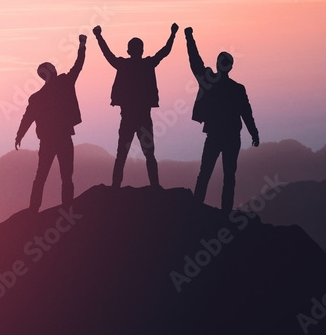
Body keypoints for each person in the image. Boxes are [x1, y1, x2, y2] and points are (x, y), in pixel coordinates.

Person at [92, 23, 178, 188]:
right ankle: (154, 187)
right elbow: (164, 52)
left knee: (122, 155)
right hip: (144, 118)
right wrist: (173, 34)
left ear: (129, 50)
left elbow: (107, 54)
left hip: (128, 118)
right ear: (142, 50)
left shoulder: (123, 65)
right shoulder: (147, 64)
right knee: (149, 154)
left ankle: (116, 187)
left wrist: (99, 36)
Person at [184, 26, 260, 212]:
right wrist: (254, 133)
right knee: (229, 176)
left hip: (215, 135)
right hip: (233, 136)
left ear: (218, 64)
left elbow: (195, 62)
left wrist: (189, 38)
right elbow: (246, 113)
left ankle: (196, 208)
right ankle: (225, 212)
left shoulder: (209, 82)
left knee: (205, 173)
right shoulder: (238, 89)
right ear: (231, 66)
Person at [15, 34, 86, 212]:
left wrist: (19, 135)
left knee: (41, 176)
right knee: (66, 176)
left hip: (47, 141)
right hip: (63, 138)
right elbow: (78, 66)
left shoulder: (37, 97)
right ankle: (67, 207)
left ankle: (33, 209)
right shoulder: (65, 83)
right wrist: (82, 45)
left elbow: (27, 118)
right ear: (52, 72)